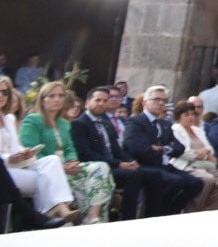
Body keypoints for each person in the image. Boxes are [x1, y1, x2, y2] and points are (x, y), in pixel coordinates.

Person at [19, 80, 113, 223]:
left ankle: (92, 216)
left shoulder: (64, 123)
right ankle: (66, 213)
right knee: (59, 165)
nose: (57, 99)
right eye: (51, 96)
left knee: (101, 167)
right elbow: (32, 151)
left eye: (61, 95)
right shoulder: (32, 121)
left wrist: (72, 161)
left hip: (67, 166)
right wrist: (60, 167)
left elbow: (69, 148)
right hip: (44, 167)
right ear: (42, 99)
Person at [72, 85, 159, 220]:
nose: (102, 104)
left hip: (113, 164)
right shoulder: (80, 124)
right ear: (88, 103)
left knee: (148, 173)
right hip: (95, 168)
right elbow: (86, 154)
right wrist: (119, 164)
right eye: (98, 100)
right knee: (134, 175)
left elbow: (117, 150)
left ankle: (151, 216)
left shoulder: (106, 123)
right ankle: (127, 217)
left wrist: (130, 161)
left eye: (105, 101)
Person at [0, 75, 78, 224]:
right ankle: (50, 213)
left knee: (52, 161)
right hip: (5, 170)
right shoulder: (33, 119)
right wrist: (9, 158)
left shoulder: (8, 118)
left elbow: (16, 148)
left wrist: (25, 153)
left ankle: (57, 210)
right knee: (46, 177)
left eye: (5, 92)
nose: (1, 96)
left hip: (18, 166)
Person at [122, 85, 204, 215]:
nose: (161, 103)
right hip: (145, 165)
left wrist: (163, 148)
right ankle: (153, 213)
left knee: (196, 183)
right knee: (176, 182)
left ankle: (169, 212)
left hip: (165, 165)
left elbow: (180, 147)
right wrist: (163, 150)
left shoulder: (164, 124)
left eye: (164, 101)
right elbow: (138, 149)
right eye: (156, 99)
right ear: (145, 102)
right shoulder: (135, 122)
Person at [169, 100, 218, 211]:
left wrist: (205, 152)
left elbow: (210, 149)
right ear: (178, 116)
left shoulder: (198, 130)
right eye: (186, 115)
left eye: (192, 114)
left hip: (205, 165)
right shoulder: (175, 129)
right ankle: (193, 211)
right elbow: (183, 152)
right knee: (207, 179)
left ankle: (212, 211)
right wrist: (204, 154)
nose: (191, 117)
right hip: (186, 166)